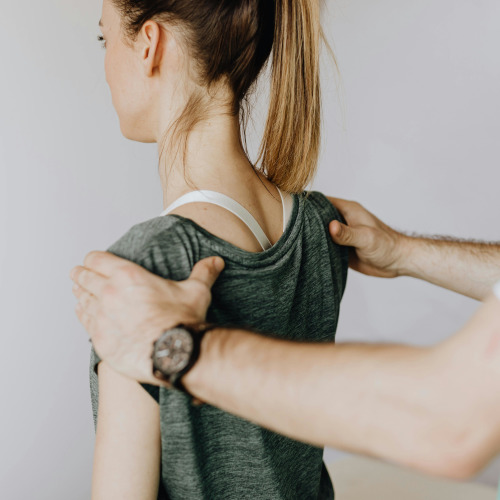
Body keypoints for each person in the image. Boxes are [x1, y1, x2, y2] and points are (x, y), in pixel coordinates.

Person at [86, 0, 349, 499]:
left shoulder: (145, 271)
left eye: (104, 39)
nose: (103, 64)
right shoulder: (320, 225)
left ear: (150, 44)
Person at [71, 198, 500, 481]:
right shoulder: (317, 221)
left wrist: (179, 347)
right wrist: (403, 250)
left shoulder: (146, 265)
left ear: (151, 53)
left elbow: (454, 423)